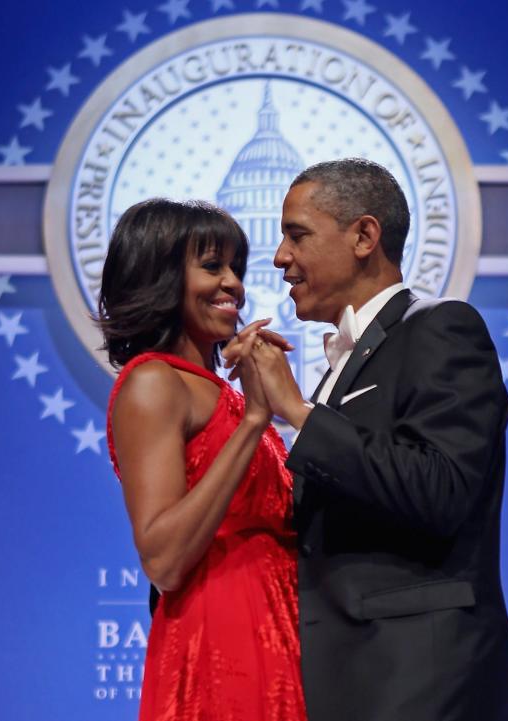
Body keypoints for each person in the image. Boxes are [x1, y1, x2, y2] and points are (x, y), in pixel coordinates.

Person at [237, 158, 508, 720]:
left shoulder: (442, 328)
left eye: (297, 235)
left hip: (423, 685)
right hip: (350, 683)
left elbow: (440, 490)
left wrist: (298, 411)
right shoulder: (343, 364)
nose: (279, 258)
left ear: (364, 235)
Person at [98, 198, 307, 721]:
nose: (233, 283)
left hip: (282, 637)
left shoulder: (225, 392)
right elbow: (164, 559)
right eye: (212, 266)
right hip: (219, 650)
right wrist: (257, 422)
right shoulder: (152, 383)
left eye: (235, 267)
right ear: (159, 276)